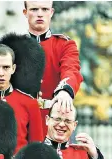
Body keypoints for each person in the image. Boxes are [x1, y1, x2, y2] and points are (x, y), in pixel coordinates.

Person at [23, 1, 83, 136]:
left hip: (53, 121)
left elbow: (71, 69)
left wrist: (64, 91)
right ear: (25, 13)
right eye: (34, 9)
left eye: (44, 9)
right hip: (21, 121)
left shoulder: (64, 45)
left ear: (51, 12)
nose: (39, 14)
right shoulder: (13, 45)